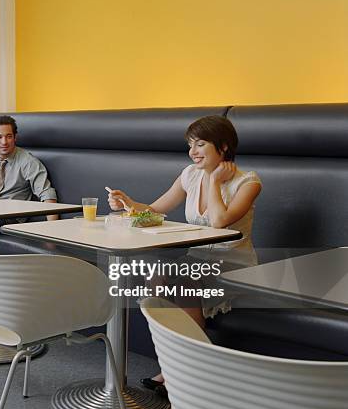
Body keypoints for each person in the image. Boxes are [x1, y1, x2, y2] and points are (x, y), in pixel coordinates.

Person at [107, 115, 262, 392]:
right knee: (155, 279)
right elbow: (155, 210)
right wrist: (126, 203)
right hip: (197, 260)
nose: (192, 152)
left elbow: (219, 221)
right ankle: (180, 363)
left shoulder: (248, 183)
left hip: (233, 264)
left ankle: (185, 368)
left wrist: (214, 181)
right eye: (190, 145)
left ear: (223, 147)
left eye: (200, 144)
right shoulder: (189, 174)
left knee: (179, 278)